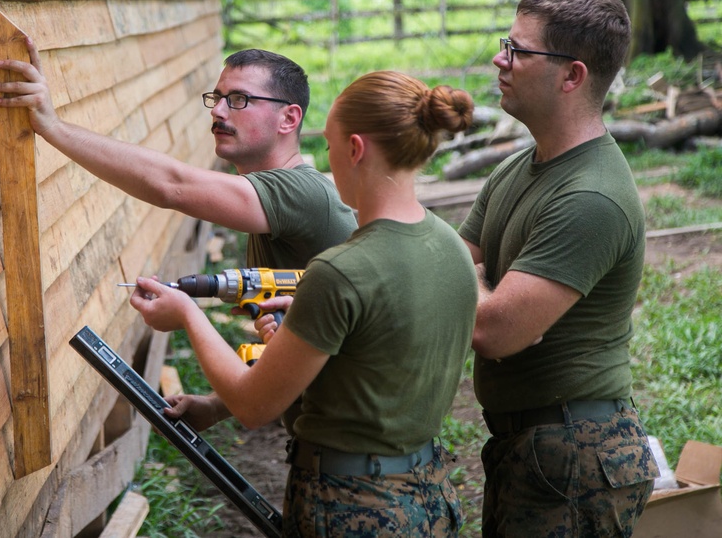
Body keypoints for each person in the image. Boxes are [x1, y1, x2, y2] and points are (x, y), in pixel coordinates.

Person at [130, 71, 477, 536]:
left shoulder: (339, 271)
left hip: (349, 508)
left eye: (329, 146)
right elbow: (379, 364)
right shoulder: (450, 245)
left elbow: (253, 406)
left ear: (355, 150)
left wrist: (188, 315)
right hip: (428, 495)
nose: (326, 162)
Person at [0, 41, 357, 431]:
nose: (218, 110)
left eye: (238, 99)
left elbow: (172, 185)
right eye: (217, 98)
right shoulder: (278, 204)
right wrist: (217, 406)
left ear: (289, 118)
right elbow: (302, 349)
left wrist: (51, 126)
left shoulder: (301, 194)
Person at [455, 0, 659, 537]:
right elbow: (443, 266)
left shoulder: (591, 196)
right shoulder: (517, 167)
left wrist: (473, 283)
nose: (500, 59)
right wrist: (475, 280)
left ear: (572, 76)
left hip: (574, 459)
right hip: (533, 448)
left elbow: (495, 331)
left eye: (519, 50)